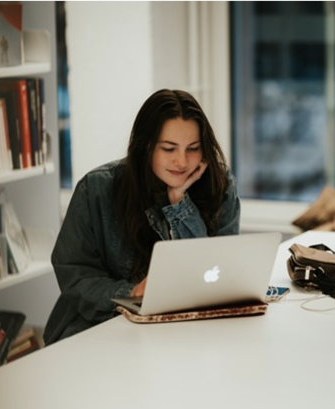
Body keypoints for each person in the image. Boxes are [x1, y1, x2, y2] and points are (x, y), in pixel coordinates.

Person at [43, 89, 241, 345]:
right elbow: (75, 273)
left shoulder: (219, 184)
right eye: (169, 148)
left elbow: (216, 271)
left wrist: (180, 204)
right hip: (102, 327)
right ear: (146, 146)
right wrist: (133, 293)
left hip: (183, 330)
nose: (182, 161)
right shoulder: (97, 188)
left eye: (193, 148)